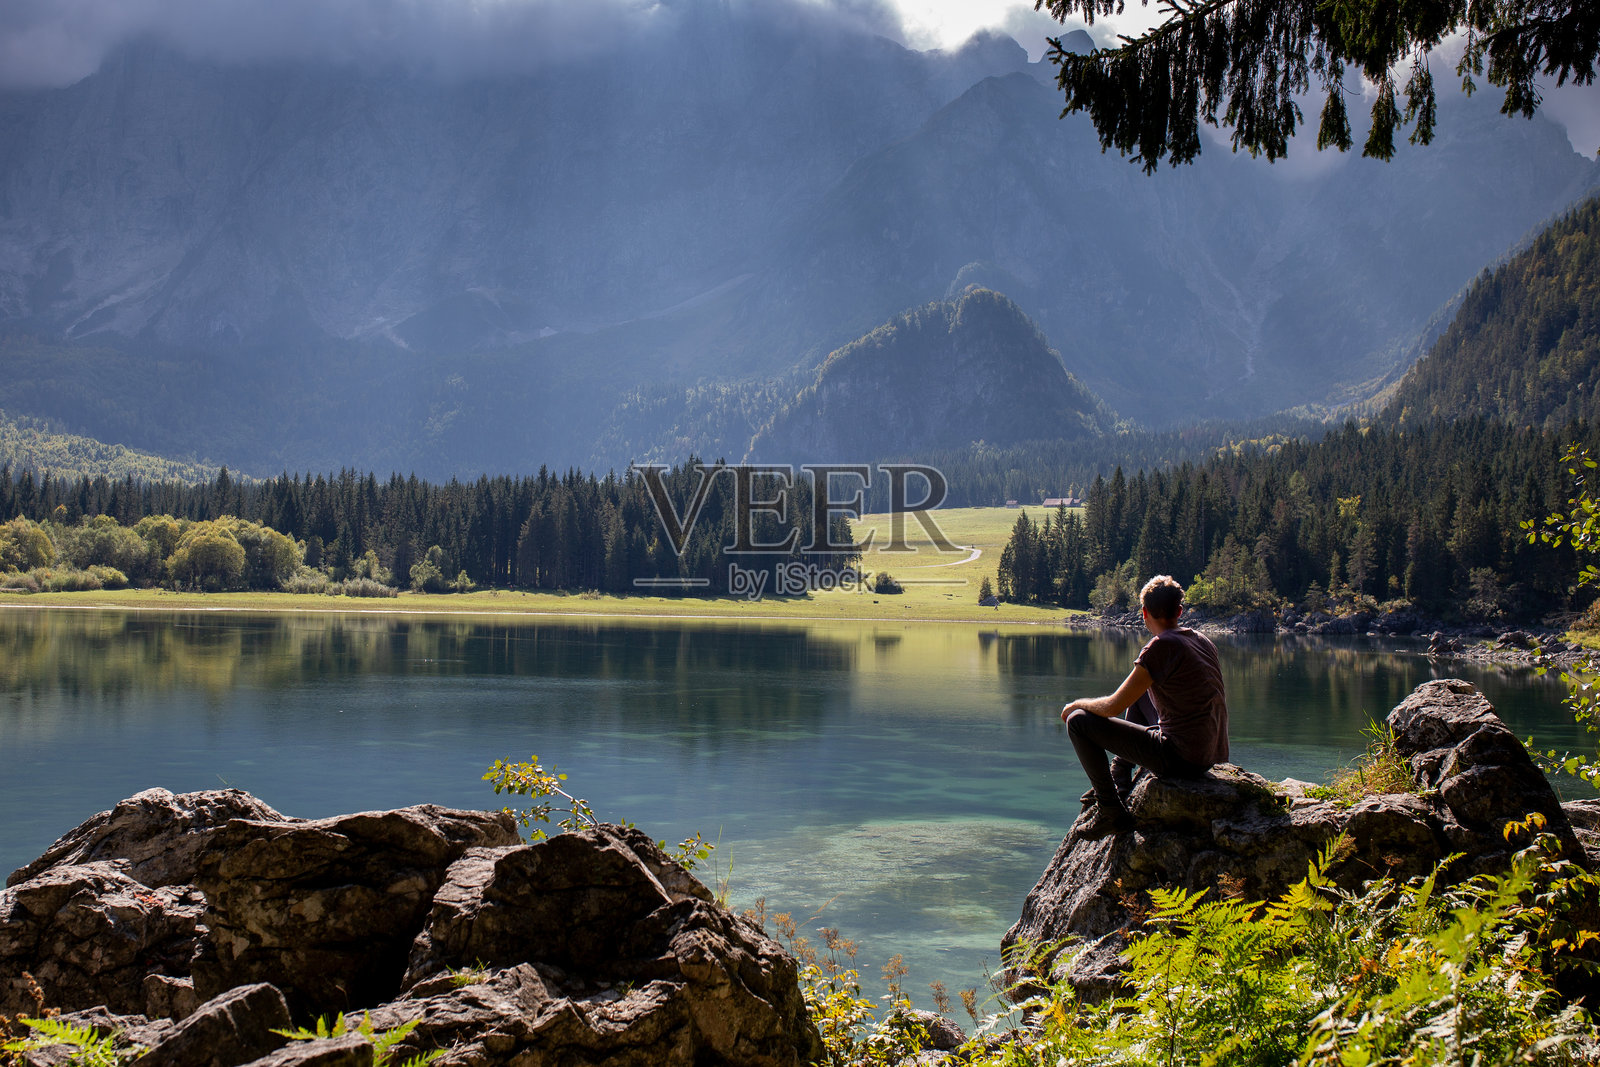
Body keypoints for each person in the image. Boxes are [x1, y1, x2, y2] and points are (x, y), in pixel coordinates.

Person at [1060, 575, 1229, 838]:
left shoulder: (1161, 647)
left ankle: (1111, 812)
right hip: (1212, 753)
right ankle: (1121, 776)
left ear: (1144, 613)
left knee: (1078, 722)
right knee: (1140, 694)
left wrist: (1075, 704)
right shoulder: (1202, 640)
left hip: (1181, 758)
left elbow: (1112, 707)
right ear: (1180, 611)